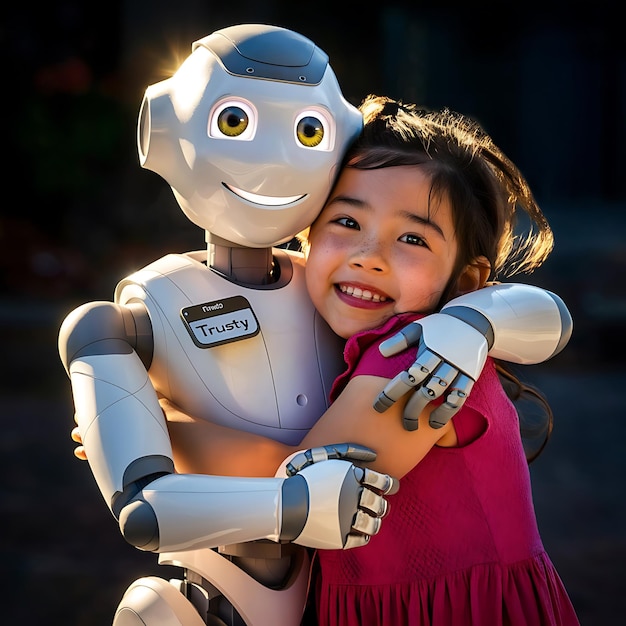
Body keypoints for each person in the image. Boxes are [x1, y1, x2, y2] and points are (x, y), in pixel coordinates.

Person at [158, 94, 580, 625]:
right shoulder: (323, 335)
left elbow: (301, 480)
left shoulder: (425, 356)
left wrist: (157, 427)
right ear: (304, 235)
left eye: (411, 238)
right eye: (347, 223)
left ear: (466, 281)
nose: (369, 257)